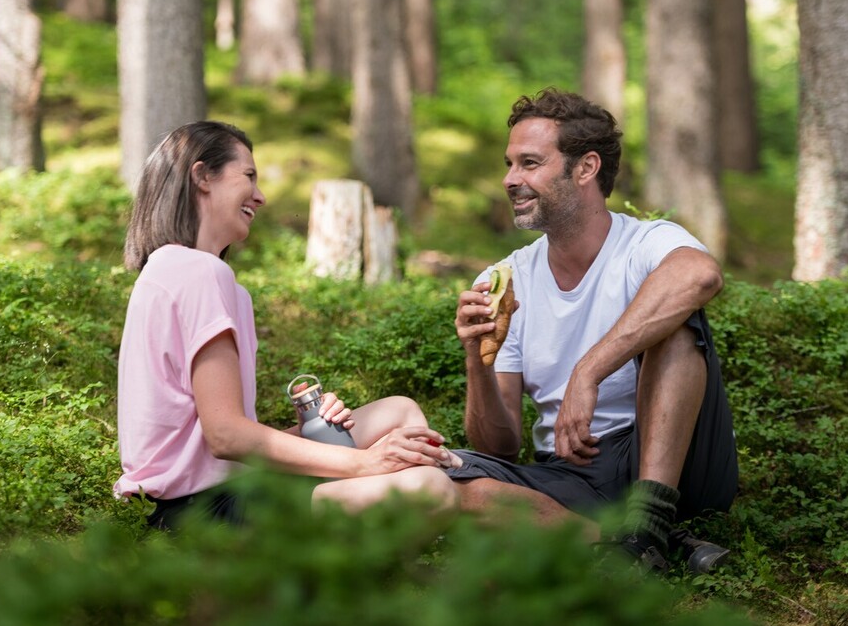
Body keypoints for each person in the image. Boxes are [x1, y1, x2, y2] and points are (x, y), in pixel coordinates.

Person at [114, 121, 459, 531]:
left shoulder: (178, 270)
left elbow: (214, 440)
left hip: (222, 488)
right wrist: (363, 462)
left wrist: (316, 427)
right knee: (430, 489)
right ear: (203, 176)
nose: (260, 196)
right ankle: (355, 559)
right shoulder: (198, 272)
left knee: (398, 411)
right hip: (202, 514)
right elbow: (225, 436)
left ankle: (363, 543)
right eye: (248, 176)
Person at [447, 88, 739, 572]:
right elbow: (498, 447)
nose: (510, 179)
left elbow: (700, 275)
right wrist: (477, 358)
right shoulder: (506, 279)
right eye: (510, 164)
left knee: (677, 320)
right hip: (572, 475)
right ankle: (647, 541)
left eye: (529, 163)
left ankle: (649, 517)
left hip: (678, 461)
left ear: (585, 168)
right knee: (445, 473)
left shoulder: (646, 242)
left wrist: (588, 372)